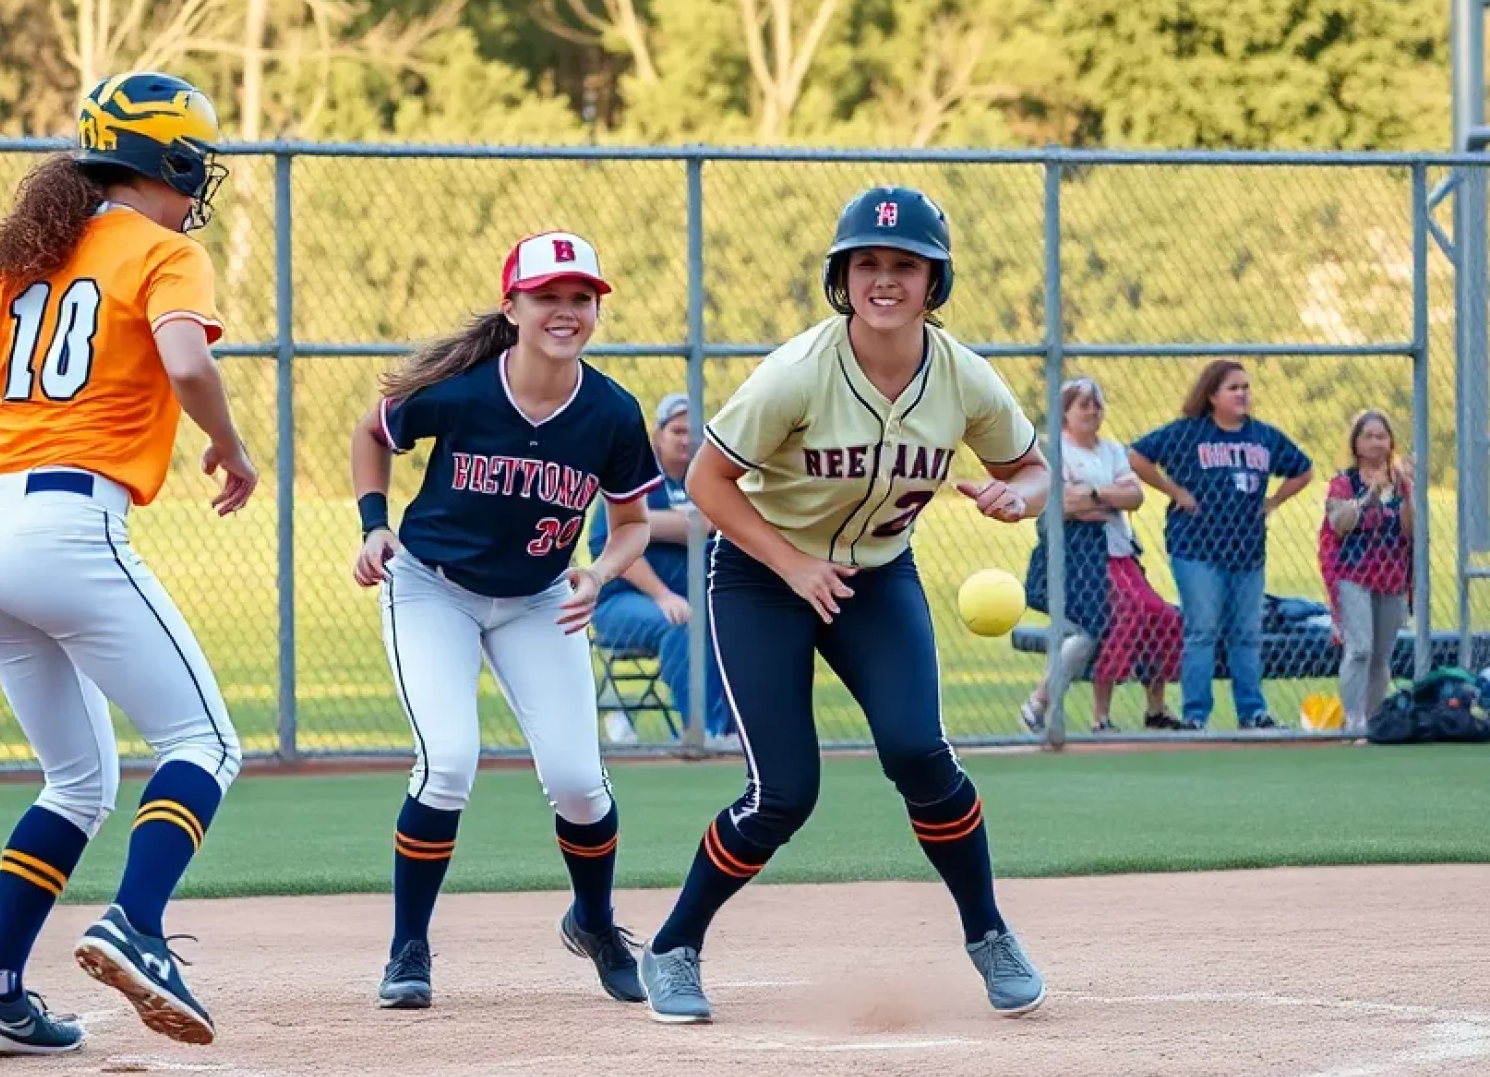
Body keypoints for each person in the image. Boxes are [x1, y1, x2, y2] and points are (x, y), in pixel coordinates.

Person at [636, 184, 1052, 1025]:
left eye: (906, 265)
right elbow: (705, 483)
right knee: (783, 793)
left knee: (920, 754)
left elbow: (1034, 468)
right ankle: (674, 946)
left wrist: (1023, 498)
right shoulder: (798, 372)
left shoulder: (963, 378)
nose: (886, 280)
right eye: (868, 263)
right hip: (761, 575)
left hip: (877, 576)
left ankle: (989, 932)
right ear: (843, 276)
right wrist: (790, 566)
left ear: (935, 281)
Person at [0, 71, 258, 1058]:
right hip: (68, 530)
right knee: (204, 744)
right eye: (191, 164)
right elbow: (186, 363)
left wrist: (16, 436)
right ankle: (136, 925)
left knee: (77, 780)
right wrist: (230, 446)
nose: (196, 182)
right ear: (165, 163)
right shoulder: (164, 250)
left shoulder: (29, 255)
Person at [351, 230, 662, 1013]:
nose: (566, 311)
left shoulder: (612, 412)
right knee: (449, 762)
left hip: (540, 599)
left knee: (578, 784)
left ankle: (594, 921)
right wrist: (373, 523)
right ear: (513, 306)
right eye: (547, 296)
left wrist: (599, 571)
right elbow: (371, 432)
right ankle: (408, 949)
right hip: (433, 588)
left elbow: (633, 525)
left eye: (580, 298)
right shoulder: (462, 390)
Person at [1130, 361, 1312, 730]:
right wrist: (1175, 491)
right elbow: (1136, 456)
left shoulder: (1262, 437)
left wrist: (1273, 501)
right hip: (1196, 547)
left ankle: (1253, 712)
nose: (1243, 393)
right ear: (1212, 395)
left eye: (1246, 387)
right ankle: (1196, 715)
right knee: (1202, 630)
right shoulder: (1189, 433)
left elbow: (1303, 468)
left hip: (1247, 549)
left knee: (1246, 633)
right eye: (1233, 388)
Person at [1021, 377, 1185, 734]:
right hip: (1082, 558)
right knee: (1121, 619)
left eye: (1097, 404)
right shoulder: (1054, 451)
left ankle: (1156, 708)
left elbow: (1134, 497)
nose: (1093, 411)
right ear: (1064, 412)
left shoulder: (1111, 451)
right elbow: (1061, 503)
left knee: (1164, 618)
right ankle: (1099, 716)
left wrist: (1093, 493)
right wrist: (1104, 497)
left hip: (1120, 551)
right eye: (1084, 405)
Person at [589, 392, 735, 742]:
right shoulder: (636, 475)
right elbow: (617, 544)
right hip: (622, 602)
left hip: (691, 603)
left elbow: (726, 523)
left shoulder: (707, 479)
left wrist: (655, 524)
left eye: (694, 432)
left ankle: (732, 731)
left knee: (735, 626)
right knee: (683, 625)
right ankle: (701, 733)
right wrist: (662, 594)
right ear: (659, 435)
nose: (687, 439)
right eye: (678, 430)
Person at [1318, 410, 1414, 732]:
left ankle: (1373, 722)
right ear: (1356, 444)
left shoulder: (1401, 483)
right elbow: (1339, 524)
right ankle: (1354, 720)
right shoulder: (1344, 483)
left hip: (1392, 577)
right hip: (1353, 574)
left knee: (1381, 656)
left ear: (1391, 443)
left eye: (1382, 436)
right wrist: (1366, 499)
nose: (1375, 442)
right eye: (1368, 436)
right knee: (1359, 648)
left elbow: (1411, 531)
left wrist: (1408, 494)